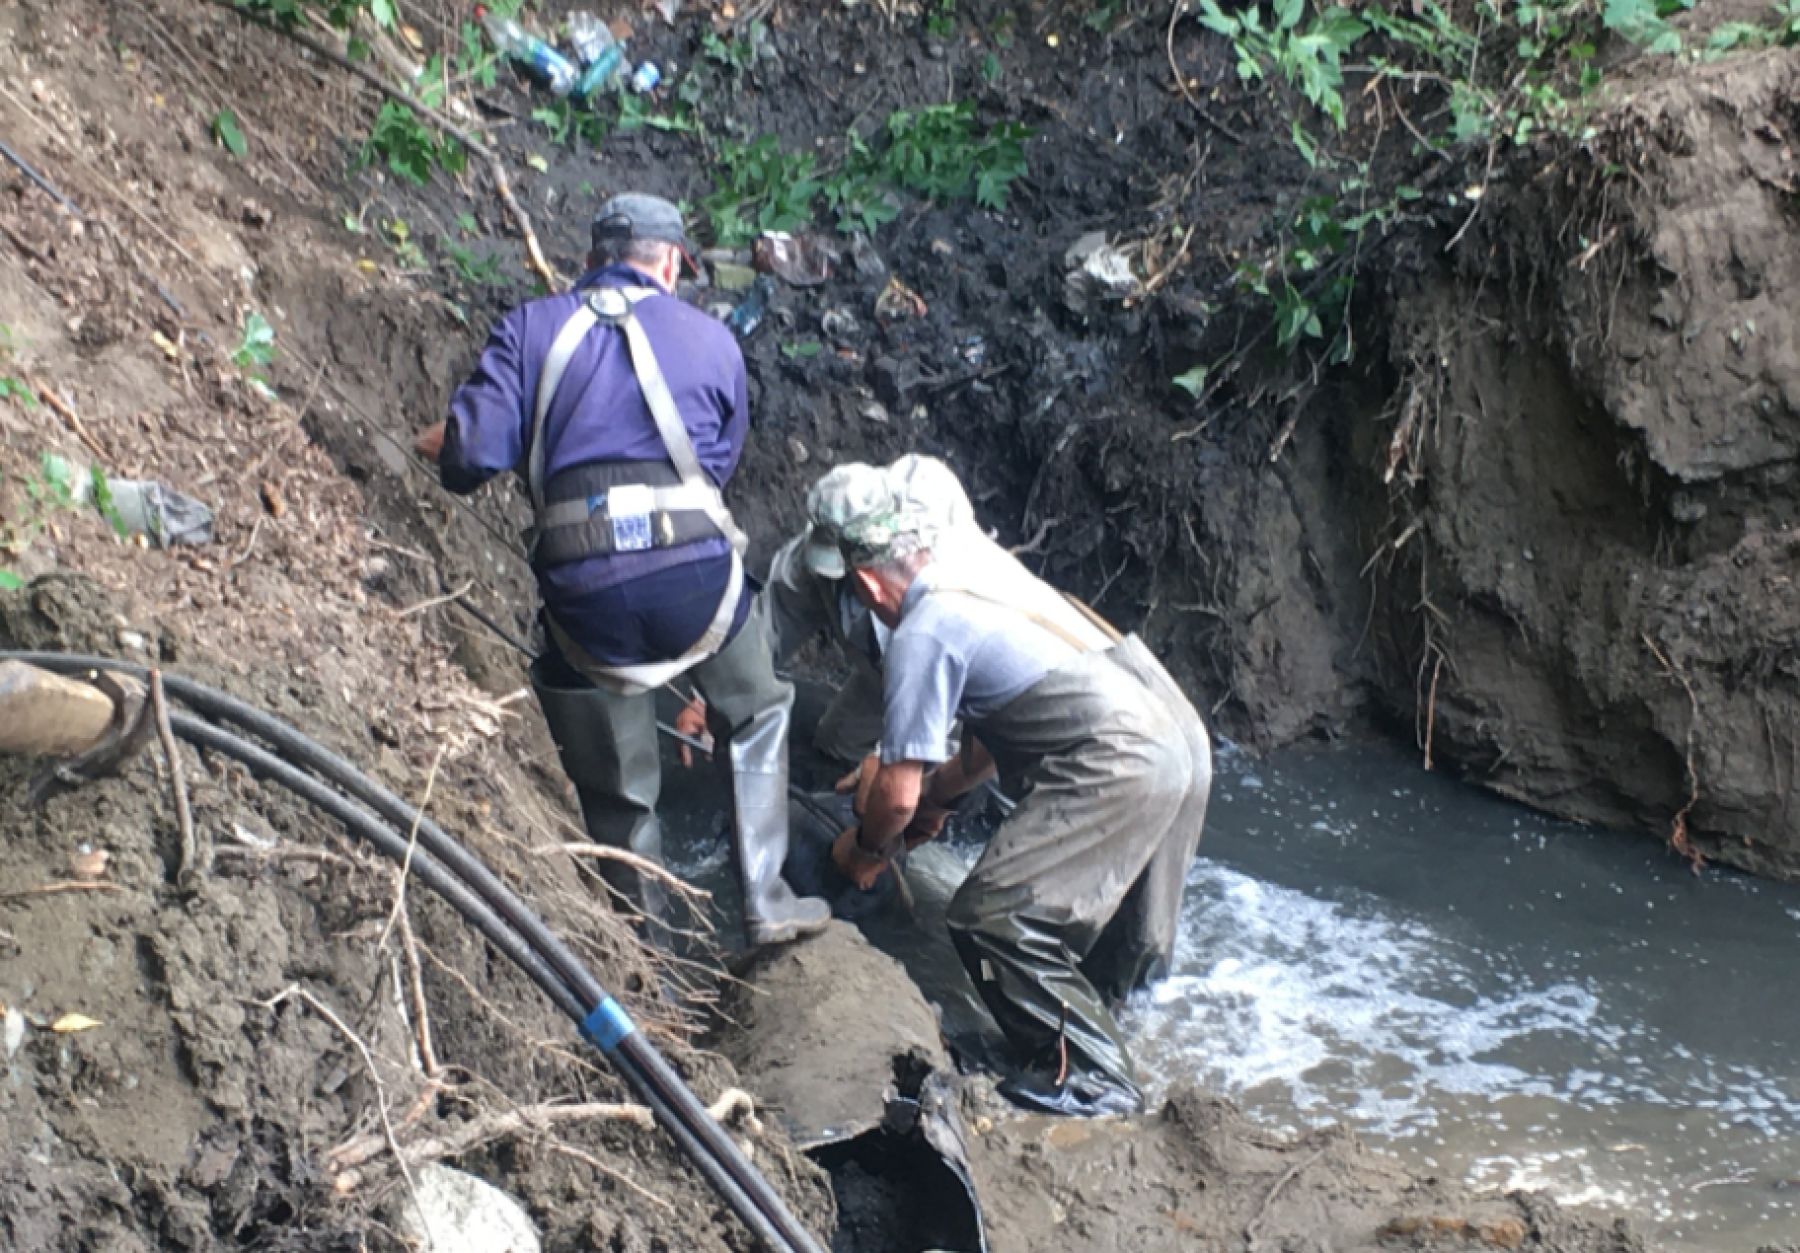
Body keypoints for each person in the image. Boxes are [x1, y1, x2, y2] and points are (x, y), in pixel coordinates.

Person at [415, 192, 830, 949]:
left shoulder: (531, 327)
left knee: (613, 767)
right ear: (670, 264)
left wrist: (435, 441)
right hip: (695, 588)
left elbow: (469, 457)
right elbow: (717, 465)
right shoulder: (712, 340)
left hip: (584, 600)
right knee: (761, 706)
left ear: (589, 260)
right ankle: (767, 899)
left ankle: (646, 948)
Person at [810, 464, 1213, 1115]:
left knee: (992, 917)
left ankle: (1096, 1078)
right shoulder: (977, 576)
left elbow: (896, 795)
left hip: (1122, 751)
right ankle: (1116, 1044)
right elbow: (998, 735)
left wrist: (865, 849)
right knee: (1126, 957)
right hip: (1174, 731)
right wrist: (940, 798)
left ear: (863, 582)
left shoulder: (921, 629)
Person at [675, 454, 976, 770]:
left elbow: (940, 704)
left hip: (948, 697)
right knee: (837, 743)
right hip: (881, 672)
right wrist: (712, 699)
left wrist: (893, 774)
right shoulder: (815, 555)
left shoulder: (934, 593)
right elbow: (771, 622)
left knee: (924, 782)